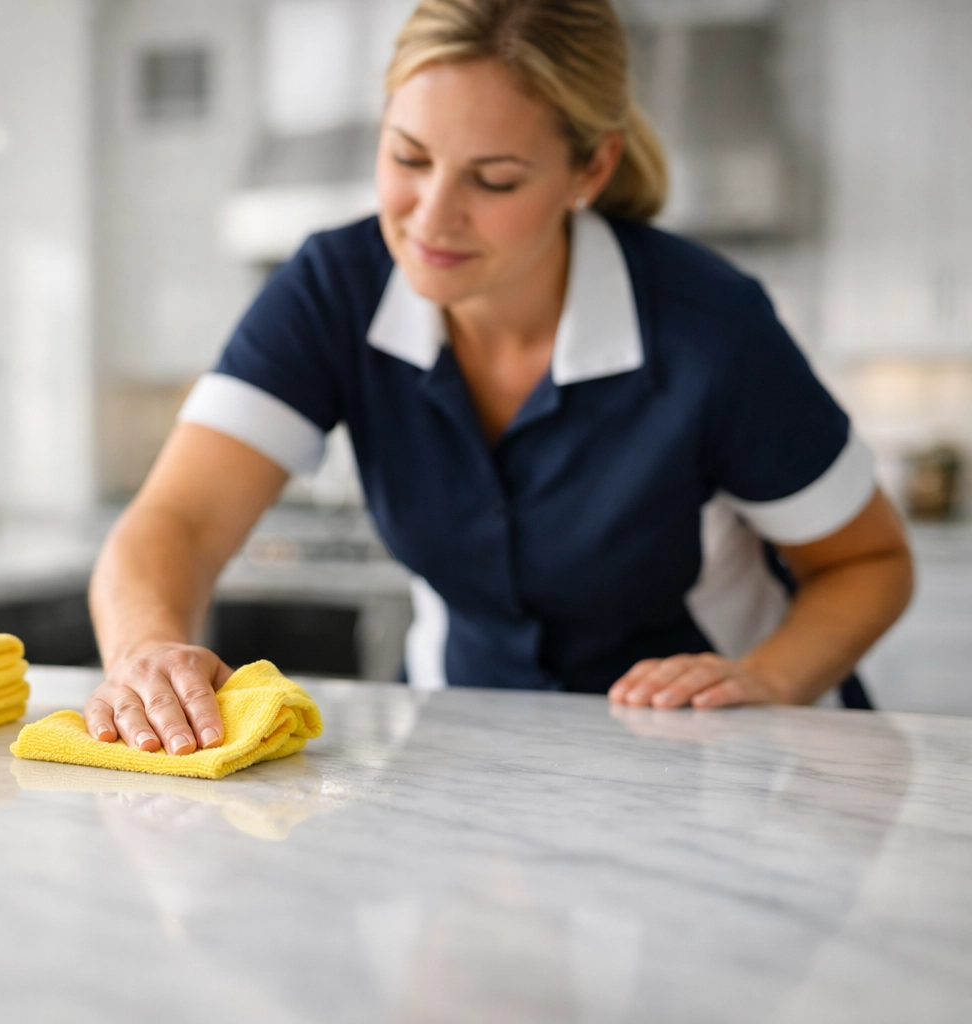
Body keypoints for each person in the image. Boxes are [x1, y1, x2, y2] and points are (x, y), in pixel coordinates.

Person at [84, 0, 914, 755]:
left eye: (494, 179)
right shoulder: (333, 287)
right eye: (408, 157)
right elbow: (176, 524)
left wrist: (769, 679)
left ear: (589, 172)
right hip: (471, 756)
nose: (432, 216)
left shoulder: (710, 328)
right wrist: (147, 652)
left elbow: (870, 563)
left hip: (727, 768)